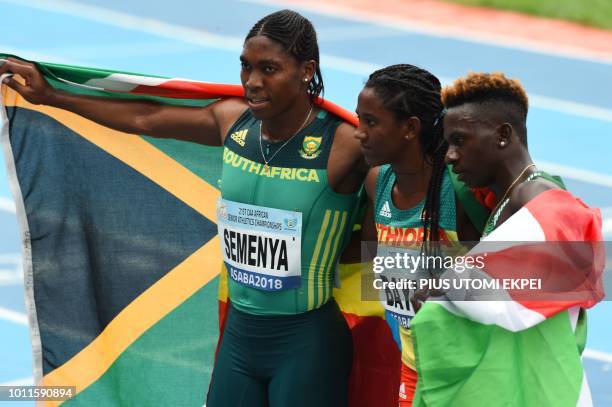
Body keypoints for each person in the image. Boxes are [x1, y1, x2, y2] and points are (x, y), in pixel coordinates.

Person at [0, 10, 366, 407]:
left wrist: (370, 264)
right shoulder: (233, 122)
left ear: (306, 70)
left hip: (306, 344)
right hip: (241, 340)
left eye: (269, 69)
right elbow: (146, 116)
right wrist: (53, 96)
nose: (253, 82)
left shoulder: (344, 143)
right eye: (245, 67)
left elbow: (409, 207)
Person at [353, 64, 481, 406]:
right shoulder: (376, 182)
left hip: (466, 374)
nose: (359, 133)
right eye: (358, 119)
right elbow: (370, 263)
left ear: (410, 128)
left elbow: (507, 276)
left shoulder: (457, 192)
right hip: (410, 366)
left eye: (371, 122)